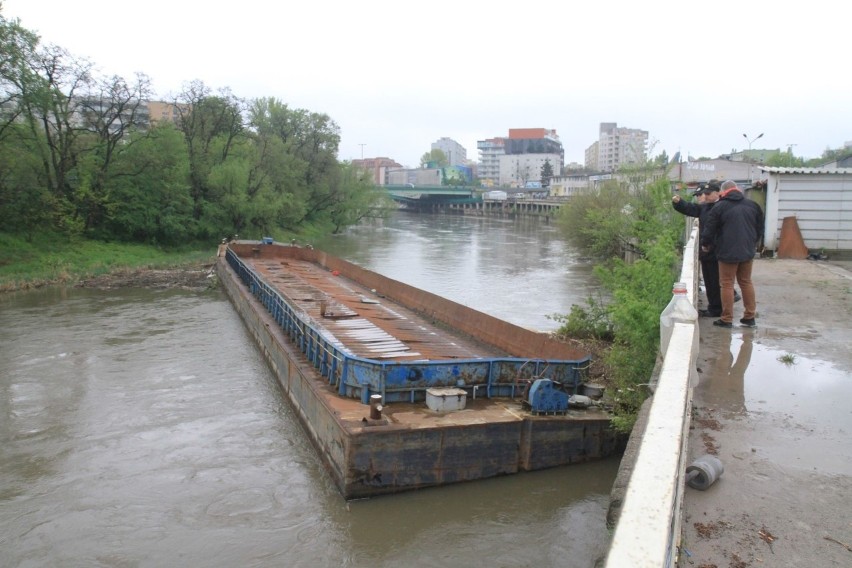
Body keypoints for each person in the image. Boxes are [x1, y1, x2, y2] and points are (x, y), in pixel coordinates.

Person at [700, 180, 764, 328]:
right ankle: (749, 316)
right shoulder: (753, 206)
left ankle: (727, 318)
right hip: (747, 251)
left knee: (727, 284)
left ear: (723, 192)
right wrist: (752, 244)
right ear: (737, 190)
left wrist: (705, 244)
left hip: (727, 252)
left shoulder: (720, 206)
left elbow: (709, 229)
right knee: (746, 282)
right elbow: (759, 228)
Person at [671, 181, 739, 317]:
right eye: (700, 195)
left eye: (706, 194)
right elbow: (690, 209)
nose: (702, 197)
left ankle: (721, 306)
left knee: (719, 281)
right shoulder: (705, 208)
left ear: (717, 193)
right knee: (711, 281)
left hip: (719, 250)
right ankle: (716, 307)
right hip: (708, 250)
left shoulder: (722, 207)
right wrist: (678, 203)